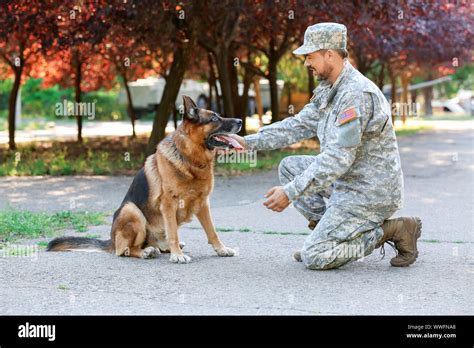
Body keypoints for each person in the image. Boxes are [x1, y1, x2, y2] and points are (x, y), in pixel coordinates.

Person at [230, 22, 422, 270]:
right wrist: (247, 142)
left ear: (330, 54)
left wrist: (289, 192)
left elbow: (336, 159)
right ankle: (330, 236)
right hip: (347, 179)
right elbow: (298, 125)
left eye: (310, 56)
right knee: (290, 166)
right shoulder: (329, 89)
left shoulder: (356, 94)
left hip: (369, 191)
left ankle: (391, 230)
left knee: (316, 257)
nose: (306, 63)